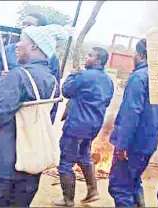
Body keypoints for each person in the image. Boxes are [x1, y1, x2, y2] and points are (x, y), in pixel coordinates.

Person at [0, 25, 68, 207]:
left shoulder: (18, 75)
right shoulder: (52, 81)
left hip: (0, 166)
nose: (17, 45)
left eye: (21, 40)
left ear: (34, 47)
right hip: (29, 164)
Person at [52, 47, 114, 207]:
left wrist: (73, 73)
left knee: (65, 161)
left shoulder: (82, 76)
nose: (87, 58)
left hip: (76, 125)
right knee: (84, 155)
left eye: (90, 55)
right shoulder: (108, 81)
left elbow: (65, 91)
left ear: (98, 61)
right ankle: (92, 190)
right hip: (93, 127)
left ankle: (67, 199)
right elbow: (106, 102)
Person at [108, 39, 158, 207]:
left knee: (119, 187)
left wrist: (122, 144)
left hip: (133, 145)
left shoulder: (139, 77)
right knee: (132, 183)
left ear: (140, 55)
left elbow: (131, 113)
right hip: (147, 143)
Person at [0, 12, 60, 123]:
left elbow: (54, 93)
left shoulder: (50, 57)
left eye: (29, 25)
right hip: (4, 115)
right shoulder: (7, 51)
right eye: (23, 24)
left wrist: (49, 122)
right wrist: (6, 81)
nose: (24, 28)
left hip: (31, 120)